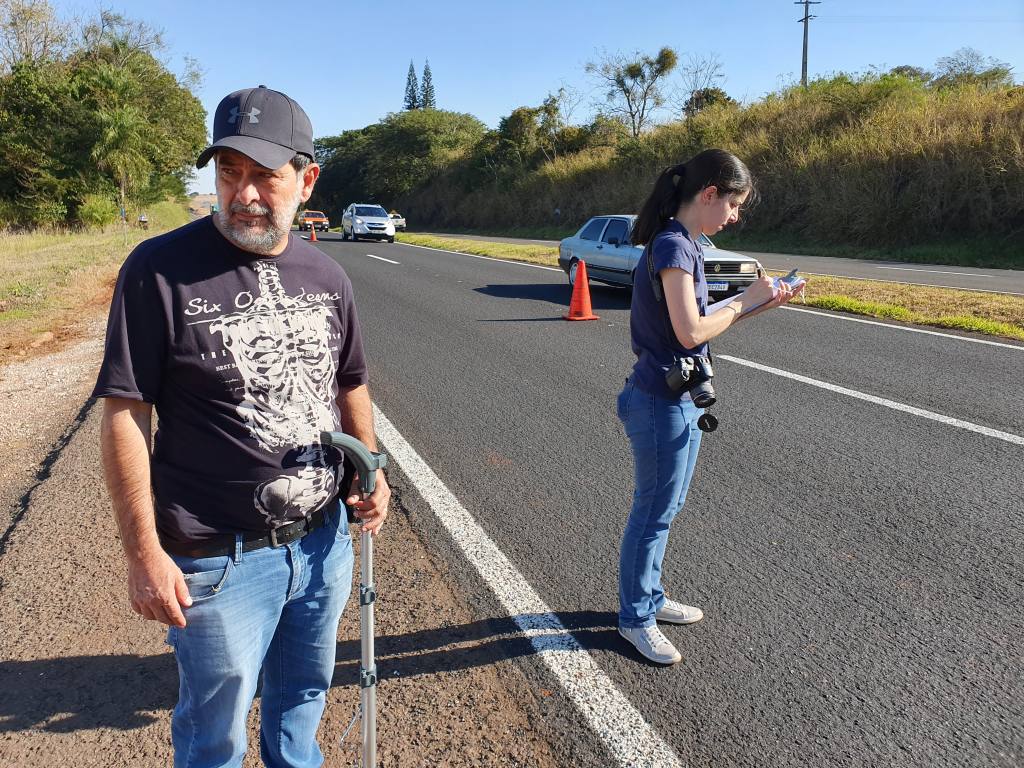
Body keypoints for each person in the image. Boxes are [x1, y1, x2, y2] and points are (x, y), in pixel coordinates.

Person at [93, 85, 390, 767]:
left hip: (322, 547)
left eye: (264, 174)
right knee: (214, 734)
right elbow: (126, 411)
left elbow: (349, 382)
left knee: (302, 705)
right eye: (229, 171)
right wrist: (143, 554)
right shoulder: (158, 271)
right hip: (216, 562)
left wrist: (369, 469)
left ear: (307, 179)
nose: (244, 192)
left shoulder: (328, 275)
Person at [617, 148, 801, 665]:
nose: (736, 216)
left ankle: (649, 599)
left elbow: (696, 329)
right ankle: (635, 619)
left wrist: (758, 302)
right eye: (734, 204)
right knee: (652, 513)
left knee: (666, 509)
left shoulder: (689, 245)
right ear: (709, 194)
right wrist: (745, 299)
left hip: (679, 396)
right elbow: (689, 330)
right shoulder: (675, 247)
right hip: (658, 401)